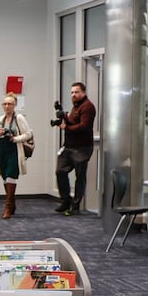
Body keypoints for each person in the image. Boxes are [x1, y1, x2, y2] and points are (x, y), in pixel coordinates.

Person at [54, 81, 96, 215]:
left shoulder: (87, 107)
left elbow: (84, 126)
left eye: (76, 92)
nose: (73, 95)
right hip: (68, 147)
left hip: (82, 148)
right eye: (72, 92)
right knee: (60, 171)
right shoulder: (76, 106)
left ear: (83, 93)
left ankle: (75, 205)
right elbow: (74, 121)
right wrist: (64, 116)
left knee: (80, 177)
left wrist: (67, 127)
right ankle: (66, 200)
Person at [0, 94, 34, 219]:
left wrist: (15, 138)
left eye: (10, 104)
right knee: (5, 177)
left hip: (14, 150)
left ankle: (8, 207)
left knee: (11, 176)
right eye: (5, 104)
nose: (7, 106)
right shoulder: (0, 119)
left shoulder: (19, 118)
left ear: (15, 105)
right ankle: (12, 204)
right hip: (2, 150)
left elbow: (29, 134)